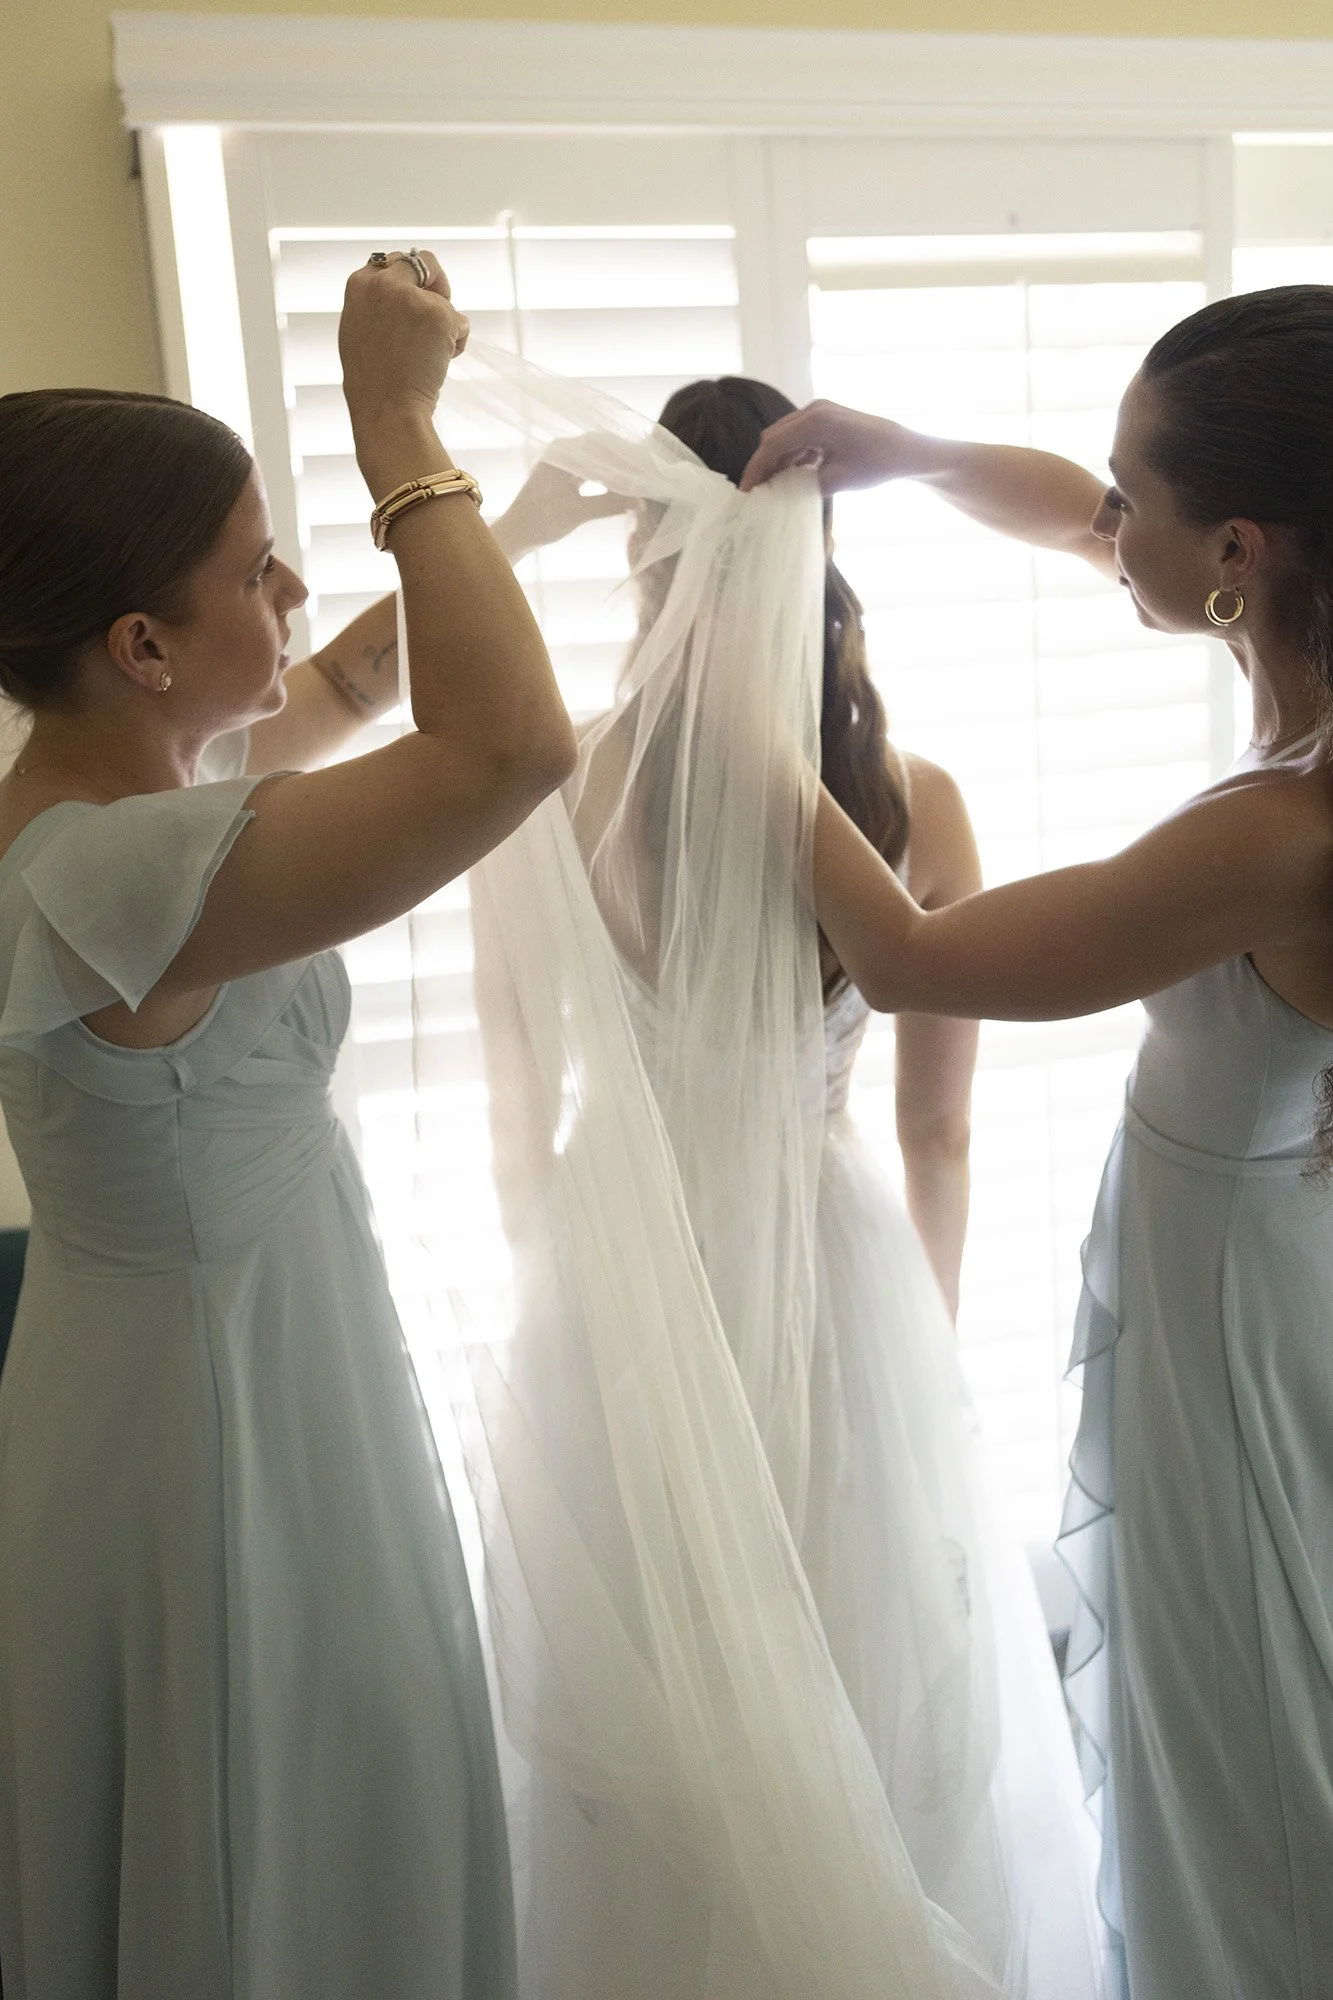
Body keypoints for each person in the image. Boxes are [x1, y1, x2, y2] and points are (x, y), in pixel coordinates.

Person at [472, 370, 1104, 1998]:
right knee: (867, 1685)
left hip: (623, 1286)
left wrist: (573, 1288)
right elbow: (938, 1133)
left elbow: (517, 1116)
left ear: (643, 557)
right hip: (834, 1282)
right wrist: (924, 1345)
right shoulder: (917, 800)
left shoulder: (559, 776)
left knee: (640, 1731)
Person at [742, 284, 1333, 2000]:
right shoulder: (1271, 634)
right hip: (1217, 1253)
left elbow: (923, 957)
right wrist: (903, 451)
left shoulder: (1288, 831)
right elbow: (1063, 506)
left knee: (1241, 1713)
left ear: (1236, 544)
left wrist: (764, 743)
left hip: (1238, 1314)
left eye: (1130, 497)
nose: (1102, 516)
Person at [0, 249, 577, 2000]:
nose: (298, 584)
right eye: (258, 565)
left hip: (188, 1362)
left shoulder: (109, 797)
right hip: (223, 1424)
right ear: (143, 644)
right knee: (286, 1817)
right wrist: (398, 431)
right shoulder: (125, 870)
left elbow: (330, 690)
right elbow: (507, 754)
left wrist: (520, 531)